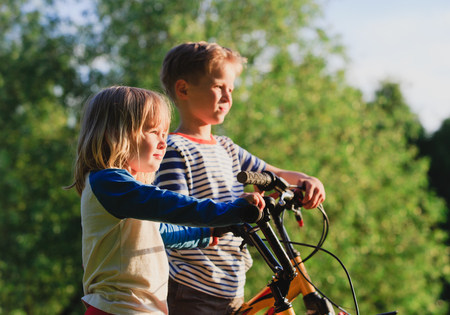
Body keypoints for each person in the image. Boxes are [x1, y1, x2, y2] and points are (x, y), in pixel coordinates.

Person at [155, 41, 326, 315]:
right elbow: (174, 214)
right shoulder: (174, 149)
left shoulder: (227, 148)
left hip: (231, 281)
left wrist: (306, 180)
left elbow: (276, 174)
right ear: (184, 89)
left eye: (231, 89)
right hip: (193, 286)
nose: (227, 96)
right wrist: (231, 212)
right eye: (218, 87)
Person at [65, 86, 265, 315]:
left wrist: (211, 230)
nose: (164, 142)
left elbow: (160, 233)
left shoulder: (121, 192)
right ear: (114, 134)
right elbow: (168, 204)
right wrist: (228, 211)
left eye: (165, 133)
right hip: (119, 309)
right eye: (152, 131)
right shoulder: (109, 182)